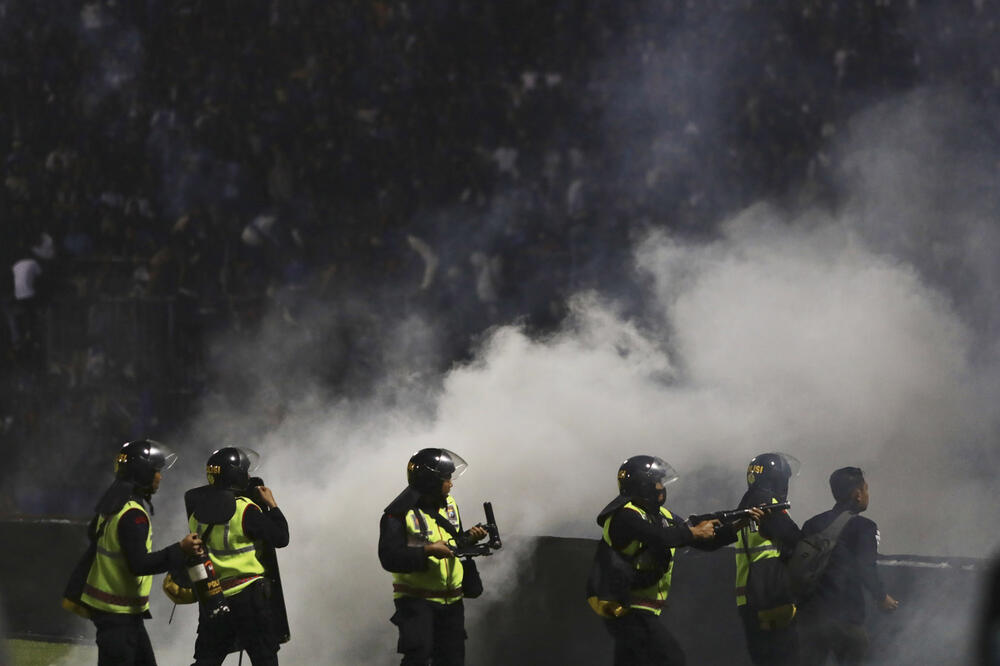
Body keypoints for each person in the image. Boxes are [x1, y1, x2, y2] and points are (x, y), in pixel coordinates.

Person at [64, 439, 204, 665]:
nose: (160, 476)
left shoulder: (112, 503)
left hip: (117, 615)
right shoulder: (133, 514)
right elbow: (140, 565)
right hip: (118, 616)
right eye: (156, 471)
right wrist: (180, 549)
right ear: (143, 473)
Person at [596, 455, 738, 666]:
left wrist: (737, 525)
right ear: (643, 485)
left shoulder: (662, 516)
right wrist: (693, 532)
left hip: (641, 609)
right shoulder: (624, 516)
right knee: (671, 659)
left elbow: (703, 542)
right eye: (657, 482)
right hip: (628, 608)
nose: (662, 488)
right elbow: (661, 537)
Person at [378, 448, 489, 666]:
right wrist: (428, 551)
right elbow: (389, 558)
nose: (451, 483)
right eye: (446, 478)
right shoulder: (397, 514)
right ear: (430, 481)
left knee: (453, 660)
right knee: (418, 658)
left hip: (452, 602)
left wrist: (469, 538)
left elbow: (452, 542)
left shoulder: (450, 505)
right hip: (417, 602)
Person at [186, 447, 289, 666]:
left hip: (215, 598)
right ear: (237, 475)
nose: (249, 476)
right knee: (264, 659)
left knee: (207, 660)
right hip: (249, 599)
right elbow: (281, 538)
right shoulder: (245, 510)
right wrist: (272, 505)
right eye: (246, 471)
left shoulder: (196, 514)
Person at [797, 467, 899, 665]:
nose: (868, 495)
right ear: (858, 494)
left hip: (810, 616)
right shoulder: (864, 527)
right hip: (844, 616)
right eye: (866, 489)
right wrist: (881, 597)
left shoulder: (812, 524)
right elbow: (866, 567)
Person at [734, 452, 803, 666]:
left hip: (748, 596)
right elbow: (794, 538)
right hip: (771, 594)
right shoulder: (768, 504)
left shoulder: (745, 504)